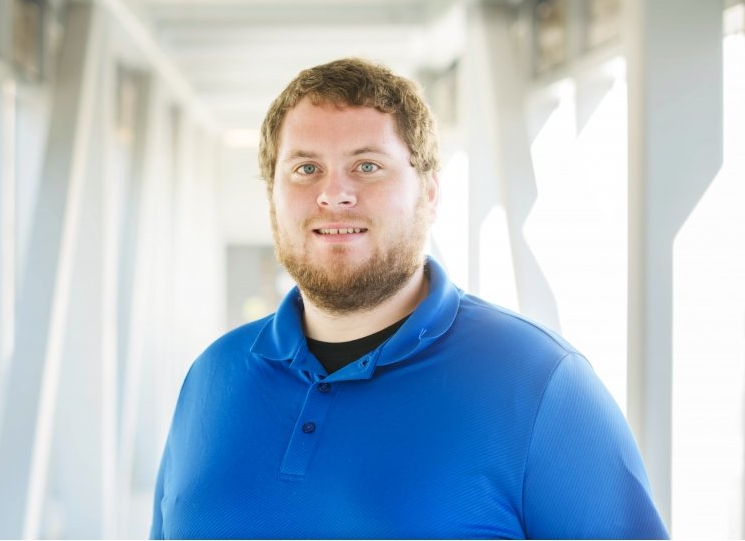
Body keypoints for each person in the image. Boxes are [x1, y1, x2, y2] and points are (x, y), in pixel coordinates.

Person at [150, 58, 668, 540]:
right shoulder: (211, 376)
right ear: (272, 197)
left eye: (367, 166)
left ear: (430, 193)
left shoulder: (541, 384)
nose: (334, 194)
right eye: (305, 168)